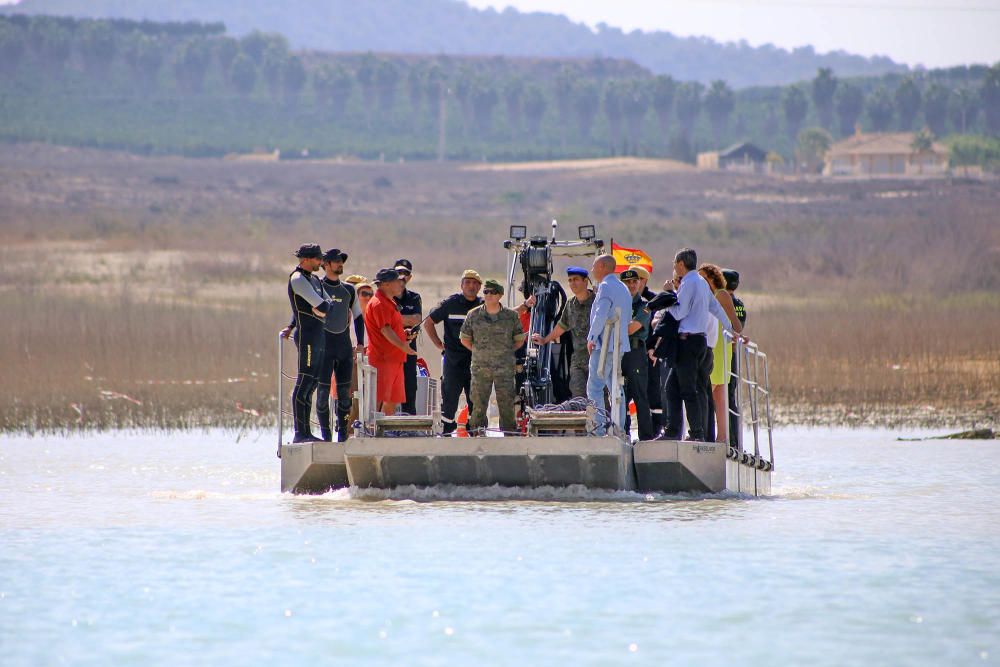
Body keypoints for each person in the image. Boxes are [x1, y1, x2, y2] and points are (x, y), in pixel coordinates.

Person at [660, 248, 736, 442]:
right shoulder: (701, 283)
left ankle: (696, 433)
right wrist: (730, 330)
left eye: (674, 264)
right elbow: (716, 308)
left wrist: (668, 295)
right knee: (672, 388)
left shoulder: (688, 283)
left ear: (680, 264)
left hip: (688, 341)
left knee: (688, 389)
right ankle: (672, 431)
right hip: (700, 342)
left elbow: (679, 312)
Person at [460, 279, 527, 434]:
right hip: (480, 368)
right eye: (486, 292)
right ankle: (478, 434)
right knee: (478, 404)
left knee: (506, 405)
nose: (488, 295)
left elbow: (519, 340)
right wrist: (479, 352)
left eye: (493, 292)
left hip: (504, 369)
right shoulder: (474, 315)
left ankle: (509, 435)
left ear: (500, 295)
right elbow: (464, 339)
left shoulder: (510, 316)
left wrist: (505, 352)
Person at [312, 248, 364, 442]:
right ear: (326, 264)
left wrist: (360, 342)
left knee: (345, 395)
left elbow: (358, 317)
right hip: (323, 347)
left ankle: (342, 434)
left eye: (342, 261)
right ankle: (326, 436)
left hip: (343, 346)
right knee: (323, 393)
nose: (340, 264)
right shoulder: (317, 286)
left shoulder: (348, 290)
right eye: (336, 261)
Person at [281, 243, 330, 444]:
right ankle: (300, 432)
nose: (321, 262)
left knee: (313, 383)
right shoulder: (298, 279)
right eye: (318, 259)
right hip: (308, 336)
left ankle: (307, 432)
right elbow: (322, 305)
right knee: (305, 382)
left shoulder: (315, 279)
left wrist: (320, 308)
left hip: (319, 335)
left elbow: (329, 305)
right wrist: (319, 308)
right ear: (306, 259)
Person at [424, 269, 483, 434]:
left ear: (479, 287)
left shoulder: (484, 305)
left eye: (474, 283)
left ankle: (477, 433)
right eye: (468, 282)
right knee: (449, 401)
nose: (471, 286)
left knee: (476, 401)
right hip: (453, 362)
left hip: (476, 362)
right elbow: (428, 322)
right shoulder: (450, 304)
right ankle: (447, 433)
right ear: (462, 285)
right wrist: (438, 344)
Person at [530, 266, 595, 398]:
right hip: (578, 361)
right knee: (578, 395)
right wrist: (544, 340)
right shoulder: (570, 304)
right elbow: (562, 326)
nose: (572, 283)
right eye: (570, 280)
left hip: (597, 359)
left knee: (599, 397)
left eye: (576, 279)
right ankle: (581, 419)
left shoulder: (598, 302)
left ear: (585, 281)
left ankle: (601, 419)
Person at [585, 254, 633, 435]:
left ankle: (598, 430)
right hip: (619, 345)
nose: (592, 270)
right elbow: (627, 318)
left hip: (604, 345)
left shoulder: (605, 286)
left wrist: (591, 338)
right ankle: (618, 428)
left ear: (603, 266)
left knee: (595, 387)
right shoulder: (623, 287)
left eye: (594, 266)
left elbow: (601, 314)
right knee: (616, 388)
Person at [698, 264, 743, 443]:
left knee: (718, 394)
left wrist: (736, 335)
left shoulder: (721, 294)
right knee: (713, 394)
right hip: (711, 344)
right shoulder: (705, 295)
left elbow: (735, 324)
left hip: (719, 347)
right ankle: (715, 436)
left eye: (703, 278)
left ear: (712, 277)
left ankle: (721, 436)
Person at [363, 268, 417, 416]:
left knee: (392, 400)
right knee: (378, 400)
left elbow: (392, 328)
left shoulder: (389, 302)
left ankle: (388, 432)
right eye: (397, 281)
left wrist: (404, 335)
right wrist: (403, 346)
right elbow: (385, 330)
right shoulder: (379, 303)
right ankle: (373, 433)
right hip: (383, 359)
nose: (401, 283)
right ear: (386, 284)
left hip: (395, 359)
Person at [620, 269, 654, 441]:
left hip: (635, 352)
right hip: (619, 352)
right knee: (620, 397)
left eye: (635, 282)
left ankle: (646, 438)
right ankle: (622, 433)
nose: (632, 285)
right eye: (628, 283)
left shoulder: (644, 306)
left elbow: (631, 328)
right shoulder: (617, 303)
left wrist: (614, 330)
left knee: (640, 395)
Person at [393, 259, 422, 415]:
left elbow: (417, 320)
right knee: (387, 387)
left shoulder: (414, 297)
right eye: (398, 273)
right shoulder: (386, 297)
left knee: (410, 386)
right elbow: (383, 322)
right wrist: (405, 319)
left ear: (410, 277)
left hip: (409, 349)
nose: (402, 276)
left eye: (405, 273)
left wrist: (394, 318)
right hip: (389, 349)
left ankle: (409, 422)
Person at [344, 274, 373, 434]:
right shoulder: (346, 314)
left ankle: (361, 431)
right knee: (352, 399)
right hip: (350, 360)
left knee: (364, 400)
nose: (368, 297)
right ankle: (347, 433)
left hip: (367, 362)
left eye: (370, 294)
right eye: (363, 293)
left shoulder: (370, 314)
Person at [723, 269, 747, 447]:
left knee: (719, 395)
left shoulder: (722, 302)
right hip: (733, 354)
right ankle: (734, 440)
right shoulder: (739, 304)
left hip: (722, 352)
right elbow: (740, 327)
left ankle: (723, 437)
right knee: (730, 396)